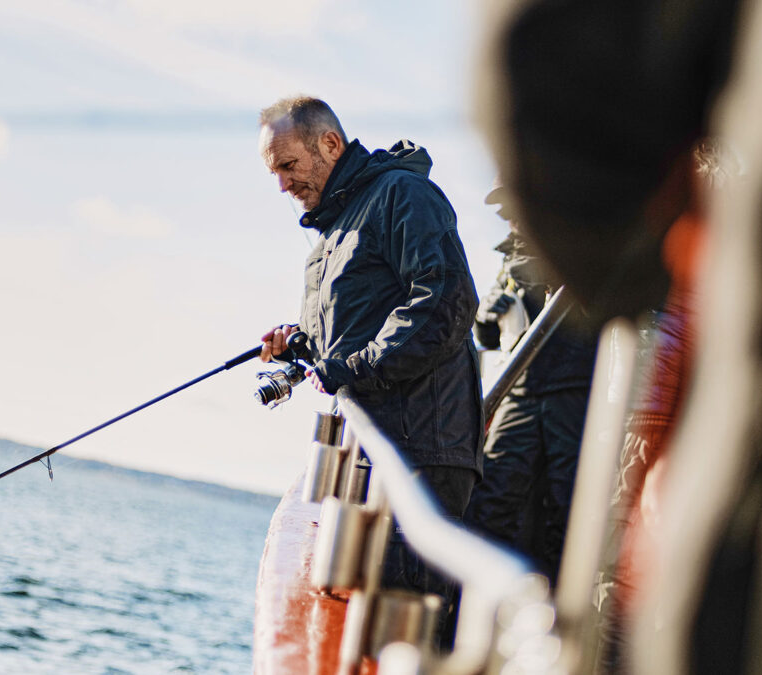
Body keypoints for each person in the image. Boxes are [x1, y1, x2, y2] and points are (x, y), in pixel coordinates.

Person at [256, 96, 483, 643]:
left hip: (421, 452)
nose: (282, 186)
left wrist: (352, 365)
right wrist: (301, 344)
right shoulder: (334, 233)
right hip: (375, 451)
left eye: (288, 166)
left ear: (329, 144)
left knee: (400, 636)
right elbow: (357, 329)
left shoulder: (402, 195)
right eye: (274, 173)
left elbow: (447, 300)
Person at [463, 183, 598, 587]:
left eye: (515, 207)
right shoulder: (509, 264)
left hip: (572, 392)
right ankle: (478, 600)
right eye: (505, 211)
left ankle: (559, 607)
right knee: (492, 497)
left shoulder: (580, 247)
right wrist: (486, 316)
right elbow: (486, 338)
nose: (510, 217)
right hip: (518, 394)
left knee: (568, 503)